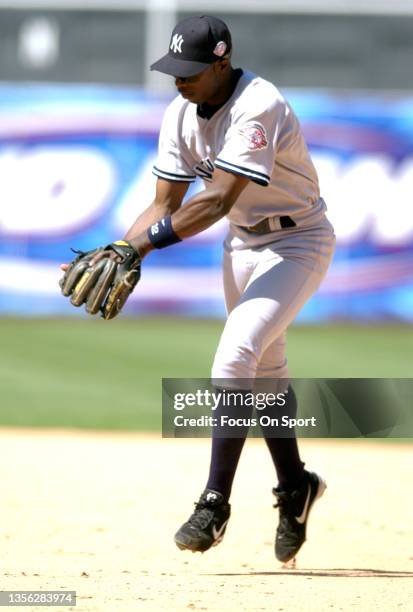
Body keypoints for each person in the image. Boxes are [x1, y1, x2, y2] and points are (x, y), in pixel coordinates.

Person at [64, 14, 335, 564]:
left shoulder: (260, 105)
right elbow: (164, 205)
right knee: (265, 370)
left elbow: (215, 202)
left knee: (235, 354)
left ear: (221, 61)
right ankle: (296, 485)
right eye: (173, 70)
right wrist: (121, 244)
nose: (179, 80)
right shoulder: (180, 112)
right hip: (242, 248)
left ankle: (214, 503)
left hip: (298, 240)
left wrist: (139, 250)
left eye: (189, 71)